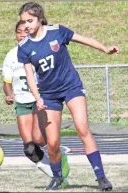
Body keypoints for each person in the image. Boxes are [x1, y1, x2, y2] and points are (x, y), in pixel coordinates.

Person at [17, 2, 119, 191]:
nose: (26, 25)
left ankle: (101, 177)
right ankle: (57, 178)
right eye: (23, 22)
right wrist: (38, 97)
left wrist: (104, 49)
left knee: (82, 129)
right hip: (48, 95)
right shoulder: (23, 46)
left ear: (40, 19)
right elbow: (30, 75)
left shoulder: (58, 32)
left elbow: (84, 39)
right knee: (53, 142)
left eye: (30, 20)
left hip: (71, 87)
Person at [2, 21, 69, 180]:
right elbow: (6, 82)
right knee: (30, 149)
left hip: (39, 99)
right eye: (19, 32)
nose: (22, 34)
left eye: (25, 31)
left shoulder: (39, 49)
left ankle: (59, 160)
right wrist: (9, 94)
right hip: (22, 103)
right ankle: (57, 177)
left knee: (39, 140)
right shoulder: (11, 56)